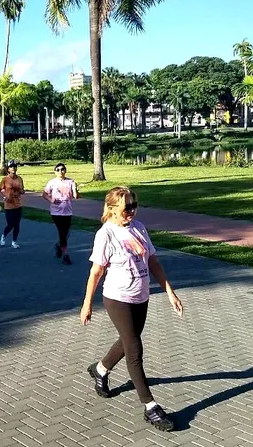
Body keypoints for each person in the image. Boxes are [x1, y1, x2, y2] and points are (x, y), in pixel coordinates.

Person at [80, 186, 184, 432]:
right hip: (117, 298)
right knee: (135, 349)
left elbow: (152, 260)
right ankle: (150, 407)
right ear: (113, 208)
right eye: (127, 207)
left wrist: (170, 291)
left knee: (128, 341)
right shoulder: (106, 234)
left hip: (141, 296)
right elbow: (96, 272)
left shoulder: (139, 228)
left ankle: (100, 369)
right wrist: (87, 304)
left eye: (135, 206)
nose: (132, 211)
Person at [42, 163, 79, 265]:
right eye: (57, 170)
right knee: (62, 233)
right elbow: (44, 194)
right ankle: (66, 255)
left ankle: (59, 246)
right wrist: (51, 200)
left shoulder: (70, 182)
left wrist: (75, 189)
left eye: (62, 169)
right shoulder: (52, 182)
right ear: (55, 172)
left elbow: (76, 196)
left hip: (67, 211)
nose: (60, 172)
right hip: (56, 212)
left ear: (65, 170)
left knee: (66, 234)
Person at [0, 160, 25, 249]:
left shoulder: (19, 179)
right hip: (8, 205)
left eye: (14, 166)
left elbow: (22, 190)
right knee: (11, 224)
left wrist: (22, 191)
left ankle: (14, 242)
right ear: (8, 169)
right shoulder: (5, 179)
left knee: (17, 224)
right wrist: (4, 197)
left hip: (18, 204)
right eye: (11, 167)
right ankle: (3, 236)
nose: (13, 168)